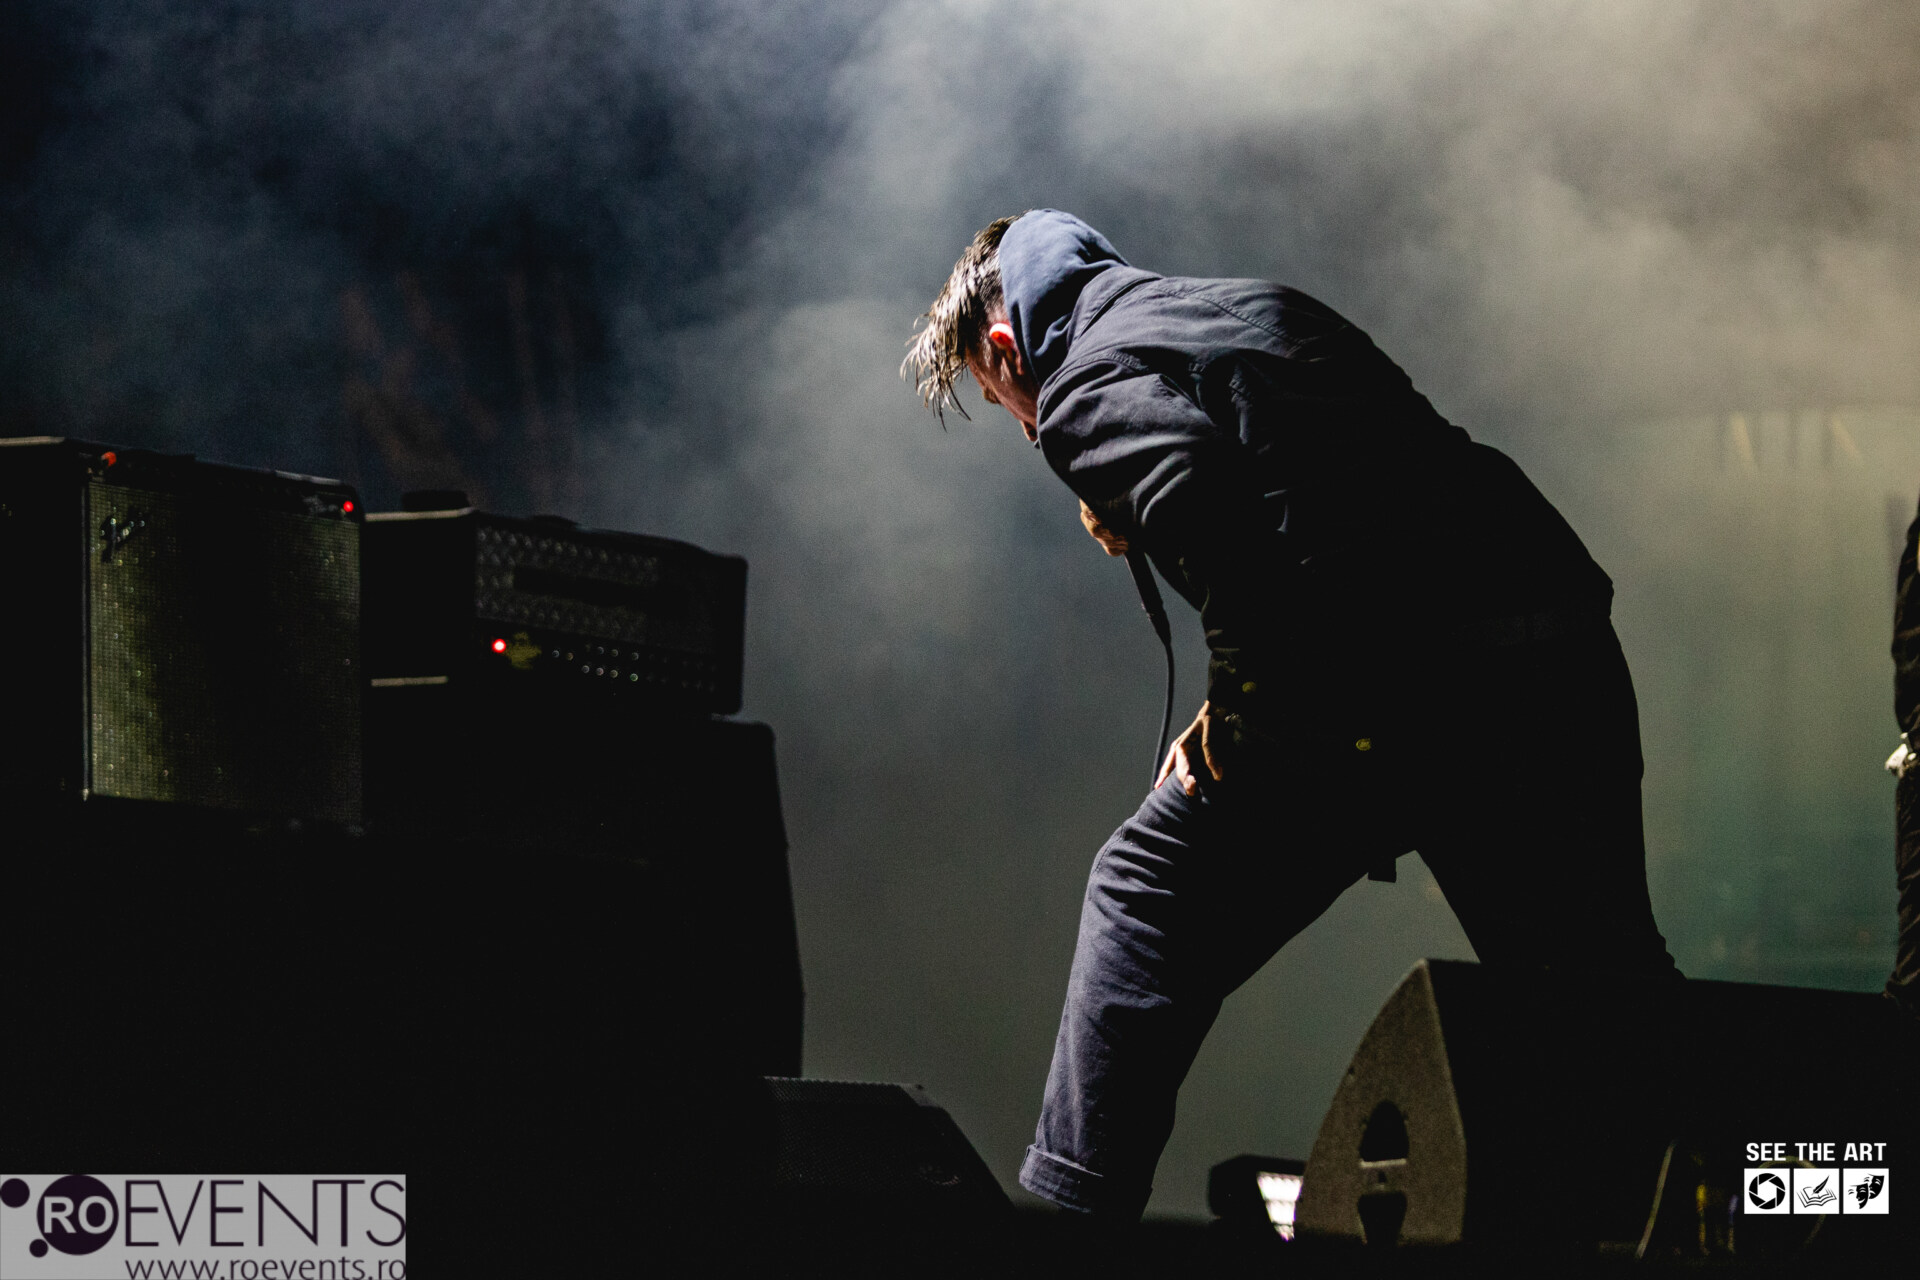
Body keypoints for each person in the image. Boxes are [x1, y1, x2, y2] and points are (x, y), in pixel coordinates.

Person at [904, 210, 1677, 1220]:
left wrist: (1240, 707)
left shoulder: (1083, 382)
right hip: (1553, 652)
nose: (1020, 424)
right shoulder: (1239, 309)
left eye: (996, 393)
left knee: (1143, 894)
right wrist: (1237, 674)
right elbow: (1336, 489)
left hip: (1391, 686)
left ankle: (1070, 1228)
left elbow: (1218, 524)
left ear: (1007, 346)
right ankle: (1733, 1213)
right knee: (1600, 993)